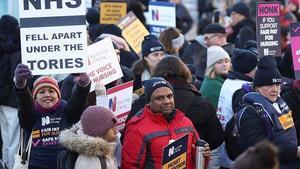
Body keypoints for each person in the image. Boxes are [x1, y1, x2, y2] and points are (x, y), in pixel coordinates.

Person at [14, 64, 91, 169]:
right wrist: (21, 87)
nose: (47, 95)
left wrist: (83, 85)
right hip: (35, 165)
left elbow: (77, 102)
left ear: (58, 94)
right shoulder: (31, 112)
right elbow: (24, 104)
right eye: (41, 92)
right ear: (35, 97)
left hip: (65, 165)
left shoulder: (65, 109)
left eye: (51, 91)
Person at [122, 77, 210, 168]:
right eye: (159, 98)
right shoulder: (137, 128)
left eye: (169, 96)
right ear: (148, 102)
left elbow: (196, 161)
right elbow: (130, 165)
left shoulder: (186, 122)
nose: (167, 101)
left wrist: (204, 155)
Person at [237, 56, 300, 169]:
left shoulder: (279, 103)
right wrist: (294, 151)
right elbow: (258, 149)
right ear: (257, 88)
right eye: (269, 85)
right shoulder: (250, 112)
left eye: (277, 85)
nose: (275, 89)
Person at [216, 48, 258, 168]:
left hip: (226, 143)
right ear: (249, 68)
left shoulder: (230, 81)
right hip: (235, 149)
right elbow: (244, 120)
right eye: (256, 66)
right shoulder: (241, 88)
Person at [0, 14, 21, 169]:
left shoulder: (4, 48)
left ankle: (6, 164)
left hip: (3, 100)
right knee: (14, 140)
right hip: (13, 101)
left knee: (6, 139)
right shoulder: (17, 50)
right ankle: (12, 166)